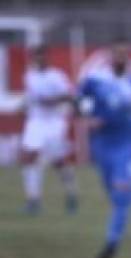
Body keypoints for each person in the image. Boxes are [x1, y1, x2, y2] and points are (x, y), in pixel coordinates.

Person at [77, 42, 131, 258]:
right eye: (117, 54)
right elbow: (76, 103)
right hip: (102, 145)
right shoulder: (95, 81)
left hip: (127, 145)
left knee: (121, 198)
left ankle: (110, 248)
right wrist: (87, 120)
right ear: (110, 57)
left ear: (129, 58)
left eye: (125, 54)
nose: (121, 58)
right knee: (113, 194)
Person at [19, 45, 78, 215]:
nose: (39, 59)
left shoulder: (56, 76)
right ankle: (33, 199)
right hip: (35, 121)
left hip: (54, 121)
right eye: (36, 56)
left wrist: (52, 100)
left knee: (57, 161)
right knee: (28, 157)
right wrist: (23, 106)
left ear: (47, 57)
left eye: (42, 56)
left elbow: (69, 95)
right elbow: (31, 97)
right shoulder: (29, 76)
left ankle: (71, 193)